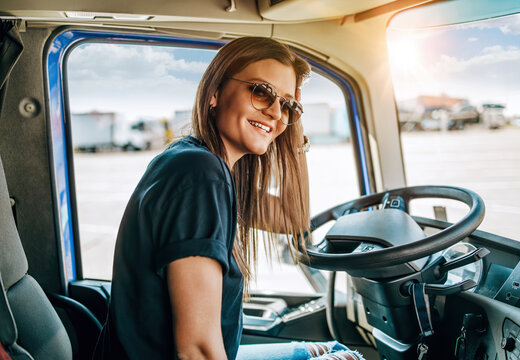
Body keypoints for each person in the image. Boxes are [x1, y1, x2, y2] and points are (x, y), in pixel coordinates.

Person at [93, 36, 363, 360]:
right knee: (346, 357)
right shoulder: (199, 174)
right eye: (262, 92)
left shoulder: (205, 166)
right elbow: (198, 350)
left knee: (330, 350)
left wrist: (291, 121)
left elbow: (293, 217)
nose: (276, 111)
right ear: (214, 94)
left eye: (287, 105)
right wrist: (284, 110)